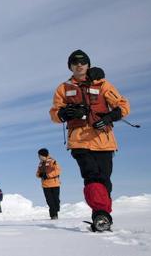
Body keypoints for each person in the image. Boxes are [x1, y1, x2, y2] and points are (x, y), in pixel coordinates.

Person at [50, 49, 130, 232]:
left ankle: (102, 215)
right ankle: (101, 215)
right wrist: (64, 113)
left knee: (104, 180)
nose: (79, 65)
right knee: (91, 176)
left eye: (83, 62)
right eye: (75, 62)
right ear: (70, 66)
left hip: (104, 140)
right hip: (79, 141)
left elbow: (123, 106)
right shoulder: (63, 88)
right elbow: (54, 114)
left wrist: (110, 117)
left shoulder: (102, 84)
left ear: (88, 64)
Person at [36, 148, 61, 220]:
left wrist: (47, 175)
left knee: (56, 200)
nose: (39, 157)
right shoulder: (40, 164)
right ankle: (53, 215)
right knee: (49, 201)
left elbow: (58, 171)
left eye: (39, 155)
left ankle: (56, 210)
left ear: (44, 155)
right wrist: (40, 175)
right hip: (45, 185)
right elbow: (37, 174)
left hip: (55, 184)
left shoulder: (53, 161)